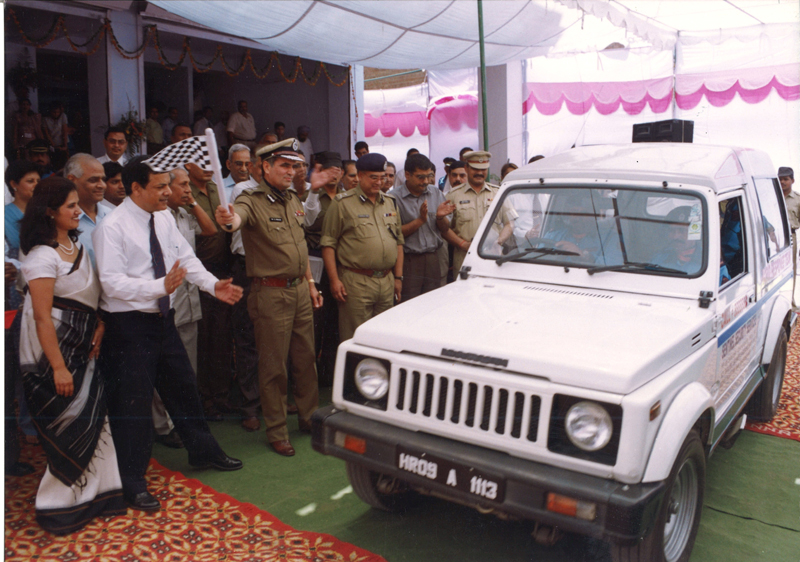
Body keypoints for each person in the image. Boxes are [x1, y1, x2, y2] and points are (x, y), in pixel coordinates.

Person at [94, 156, 244, 511]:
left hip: (163, 320)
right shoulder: (111, 228)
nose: (168, 192)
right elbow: (111, 283)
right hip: (128, 327)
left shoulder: (163, 217)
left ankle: (203, 452)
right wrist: (159, 286)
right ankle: (132, 482)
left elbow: (186, 258)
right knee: (133, 404)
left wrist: (211, 286)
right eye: (160, 186)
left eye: (168, 185)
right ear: (135, 189)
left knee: (184, 387)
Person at [18, 176, 126, 533]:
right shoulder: (41, 256)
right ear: (50, 213)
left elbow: (88, 299)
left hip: (85, 350)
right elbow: (41, 316)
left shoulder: (76, 247)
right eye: (70, 206)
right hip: (53, 359)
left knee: (95, 423)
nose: (79, 210)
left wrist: (98, 324)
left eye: (77, 204)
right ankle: (59, 508)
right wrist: (60, 368)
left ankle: (100, 498)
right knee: (67, 428)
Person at [214, 139, 336, 456]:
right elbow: (236, 219)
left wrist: (310, 282)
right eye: (284, 165)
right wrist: (229, 220)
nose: (291, 171)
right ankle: (277, 429)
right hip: (270, 292)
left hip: (299, 288)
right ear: (265, 167)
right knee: (274, 366)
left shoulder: (292, 198)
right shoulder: (249, 198)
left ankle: (308, 417)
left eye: (295, 165)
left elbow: (299, 246)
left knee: (305, 359)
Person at [321, 153, 404, 342]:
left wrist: (398, 277)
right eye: (373, 177)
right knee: (356, 337)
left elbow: (398, 241)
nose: (379, 182)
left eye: (382, 177)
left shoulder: (390, 202)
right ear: (360, 176)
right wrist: (334, 280)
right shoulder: (342, 204)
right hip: (356, 282)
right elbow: (328, 244)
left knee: (384, 337)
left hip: (386, 281)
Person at [185, 159, 235, 421]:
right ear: (186, 164)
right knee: (203, 339)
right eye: (199, 161)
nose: (206, 166)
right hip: (198, 272)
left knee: (221, 338)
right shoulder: (182, 192)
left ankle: (221, 394)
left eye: (209, 161)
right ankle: (205, 399)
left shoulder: (217, 189)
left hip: (222, 270)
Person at [305, 151, 344, 385]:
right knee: (314, 324)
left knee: (334, 322)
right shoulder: (312, 196)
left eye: (337, 171)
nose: (334, 175)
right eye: (329, 170)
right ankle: (310, 377)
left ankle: (329, 375)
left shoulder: (346, 197)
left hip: (339, 265)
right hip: (314, 263)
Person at [444, 151, 516, 275]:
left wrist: (499, 241)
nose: (479, 173)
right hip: (464, 260)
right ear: (466, 168)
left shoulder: (498, 193)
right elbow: (444, 229)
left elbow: (510, 224)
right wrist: (462, 244)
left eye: (483, 169)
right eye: (475, 169)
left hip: (493, 258)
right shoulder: (453, 195)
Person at [394, 154, 454, 301]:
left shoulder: (436, 193)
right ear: (407, 175)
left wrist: (440, 217)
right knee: (409, 305)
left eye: (429, 176)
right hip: (409, 261)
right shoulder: (394, 198)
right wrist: (420, 220)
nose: (426, 181)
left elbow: (445, 228)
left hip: (434, 258)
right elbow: (395, 234)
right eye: (421, 177)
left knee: (432, 305)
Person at [64, 154, 109, 266]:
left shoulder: (111, 215)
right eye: (93, 180)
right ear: (72, 180)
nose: (102, 185)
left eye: (103, 179)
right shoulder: (63, 221)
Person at [779, 167, 799, 306]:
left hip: (790, 238)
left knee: (790, 270)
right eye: (780, 179)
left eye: (786, 179)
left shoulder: (797, 200)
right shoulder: (771, 196)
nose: (782, 182)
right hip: (772, 239)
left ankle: (789, 302)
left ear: (792, 180)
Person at [42, 102, 69, 171]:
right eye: (54, 112)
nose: (56, 114)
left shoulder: (63, 116)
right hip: (52, 144)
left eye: (58, 112)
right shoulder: (45, 119)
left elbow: (64, 131)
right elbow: (46, 133)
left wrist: (65, 146)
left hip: (62, 143)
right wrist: (53, 145)